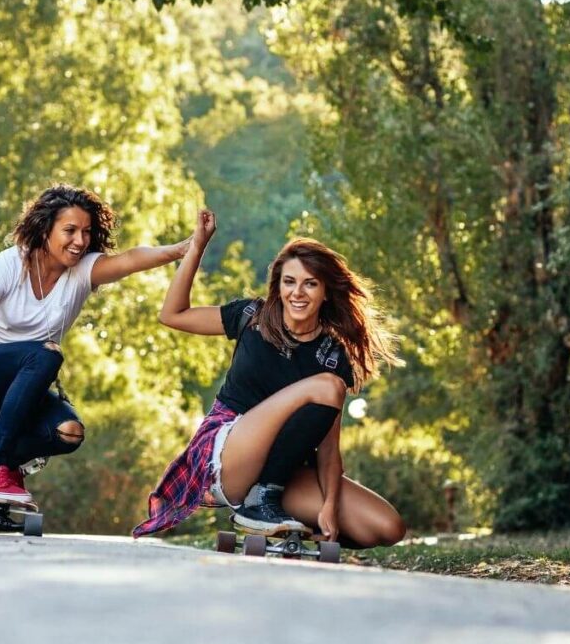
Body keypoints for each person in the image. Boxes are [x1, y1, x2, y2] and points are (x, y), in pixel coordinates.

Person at [0, 184, 190, 505]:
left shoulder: (82, 271)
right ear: (45, 229)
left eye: (86, 231)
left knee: (68, 431)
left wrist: (182, 249)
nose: (80, 241)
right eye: (69, 230)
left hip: (18, 389)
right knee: (45, 355)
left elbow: (132, 258)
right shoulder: (10, 264)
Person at [133, 210, 406, 548]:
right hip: (230, 453)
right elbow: (172, 314)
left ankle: (272, 511)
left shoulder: (333, 356)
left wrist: (330, 508)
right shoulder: (252, 317)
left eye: (310, 283)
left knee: (386, 527)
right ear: (278, 285)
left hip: (284, 473)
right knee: (326, 386)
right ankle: (257, 503)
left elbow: (329, 450)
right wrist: (197, 247)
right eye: (289, 281)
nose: (298, 293)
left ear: (325, 292)